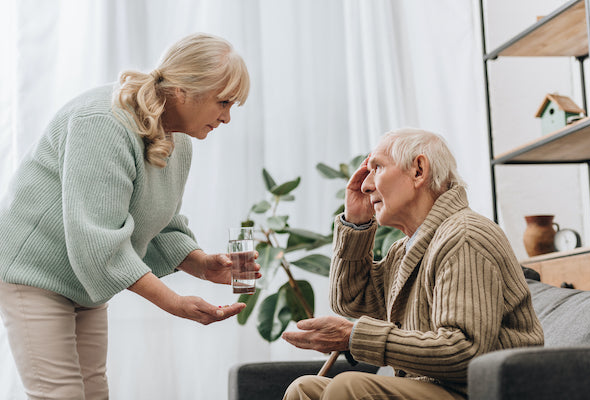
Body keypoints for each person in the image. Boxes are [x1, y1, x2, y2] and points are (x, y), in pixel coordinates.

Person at [0, 32, 260, 400]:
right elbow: (98, 240)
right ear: (183, 91)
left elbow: (161, 223)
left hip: (83, 280)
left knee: (93, 392)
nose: (228, 117)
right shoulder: (103, 123)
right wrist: (175, 302)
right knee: (59, 394)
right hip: (34, 273)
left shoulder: (178, 138)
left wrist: (203, 264)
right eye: (223, 102)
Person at [282, 128, 543, 400]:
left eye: (378, 168)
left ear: (418, 170)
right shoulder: (406, 249)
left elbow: (464, 350)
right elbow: (350, 299)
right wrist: (356, 222)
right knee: (304, 389)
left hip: (480, 391)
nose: (365, 185)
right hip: (436, 388)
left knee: (347, 387)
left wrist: (354, 337)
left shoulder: (465, 236)